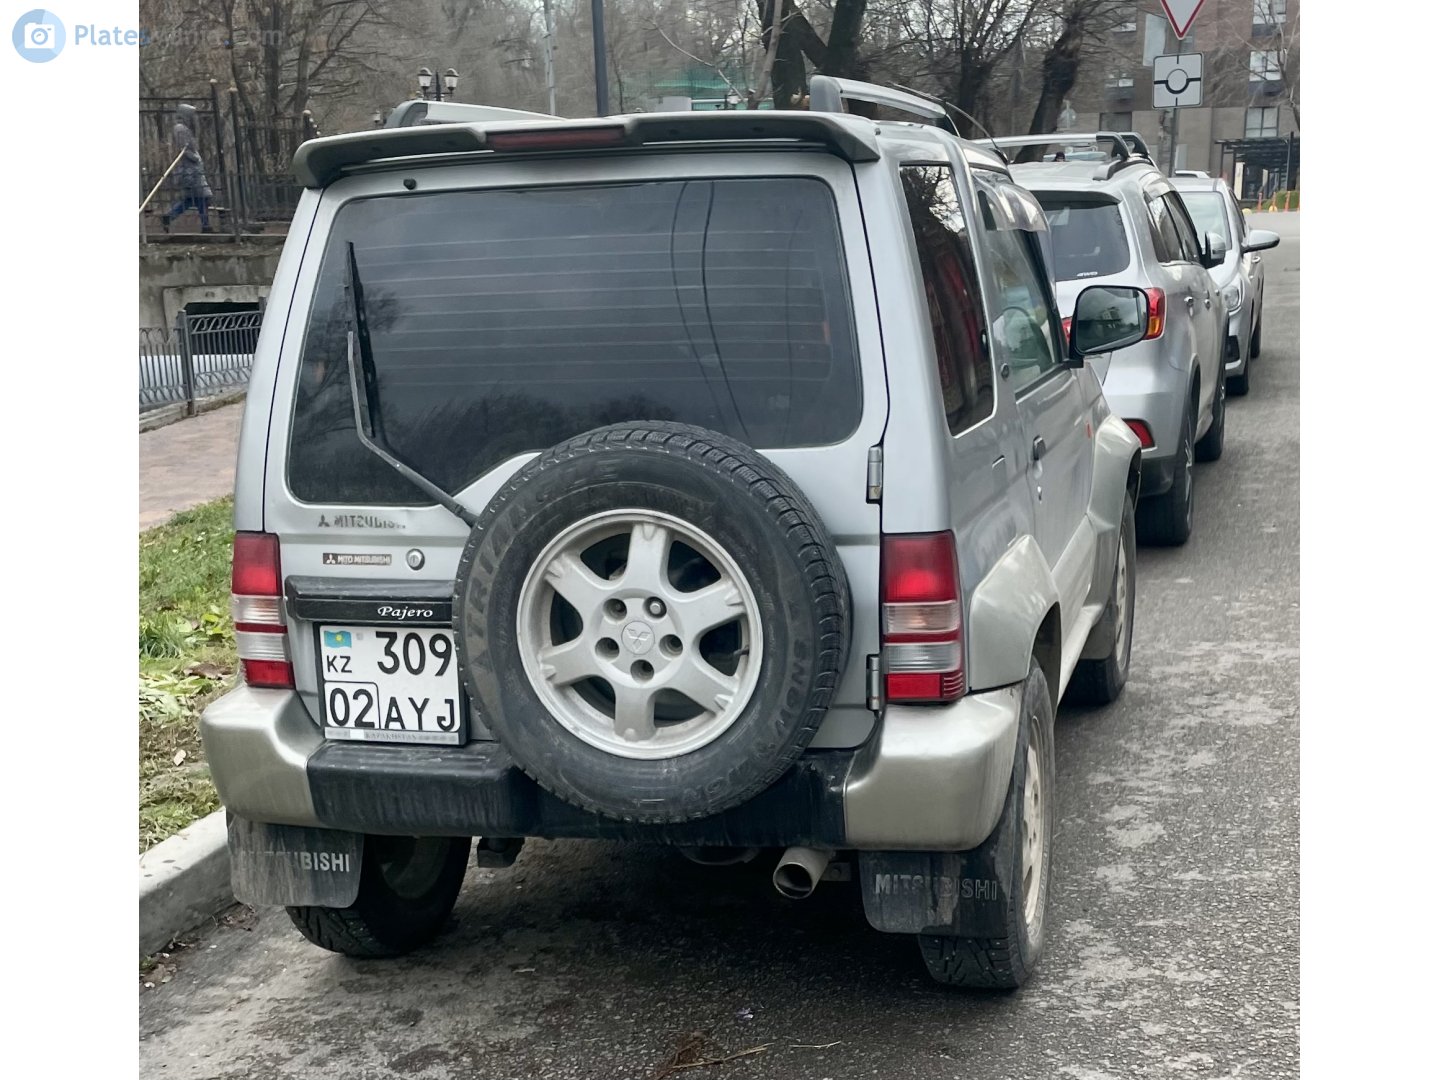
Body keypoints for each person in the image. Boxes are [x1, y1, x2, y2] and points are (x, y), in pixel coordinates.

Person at [162, 103, 214, 233]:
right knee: (202, 196)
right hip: (190, 170)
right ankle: (205, 225)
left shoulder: (183, 128)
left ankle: (170, 216)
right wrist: (195, 158)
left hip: (192, 168)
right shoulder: (180, 129)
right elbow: (184, 148)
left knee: (192, 199)